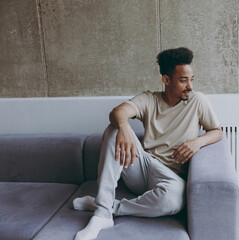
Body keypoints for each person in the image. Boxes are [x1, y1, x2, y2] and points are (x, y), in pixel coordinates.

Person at [73, 47, 222, 240]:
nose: (190, 86)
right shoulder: (150, 99)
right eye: (183, 80)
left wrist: (198, 142)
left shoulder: (198, 101)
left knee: (175, 199)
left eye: (191, 79)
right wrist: (125, 127)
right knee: (114, 128)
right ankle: (101, 214)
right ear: (166, 80)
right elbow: (117, 112)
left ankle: (105, 208)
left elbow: (217, 132)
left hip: (170, 176)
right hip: (142, 167)